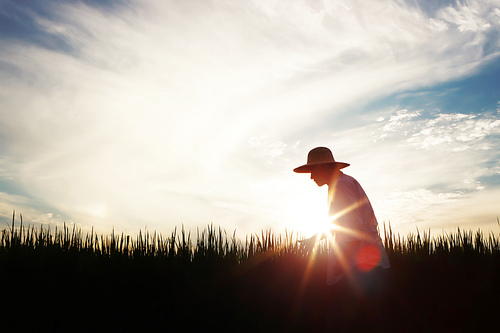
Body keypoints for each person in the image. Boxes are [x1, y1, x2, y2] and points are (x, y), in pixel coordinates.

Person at [294, 147, 390, 329]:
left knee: (346, 322)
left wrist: (343, 262)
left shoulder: (341, 186)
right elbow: (339, 222)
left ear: (325, 168)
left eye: (313, 171)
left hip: (359, 268)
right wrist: (315, 239)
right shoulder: (341, 184)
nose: (311, 177)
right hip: (363, 266)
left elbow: (353, 225)